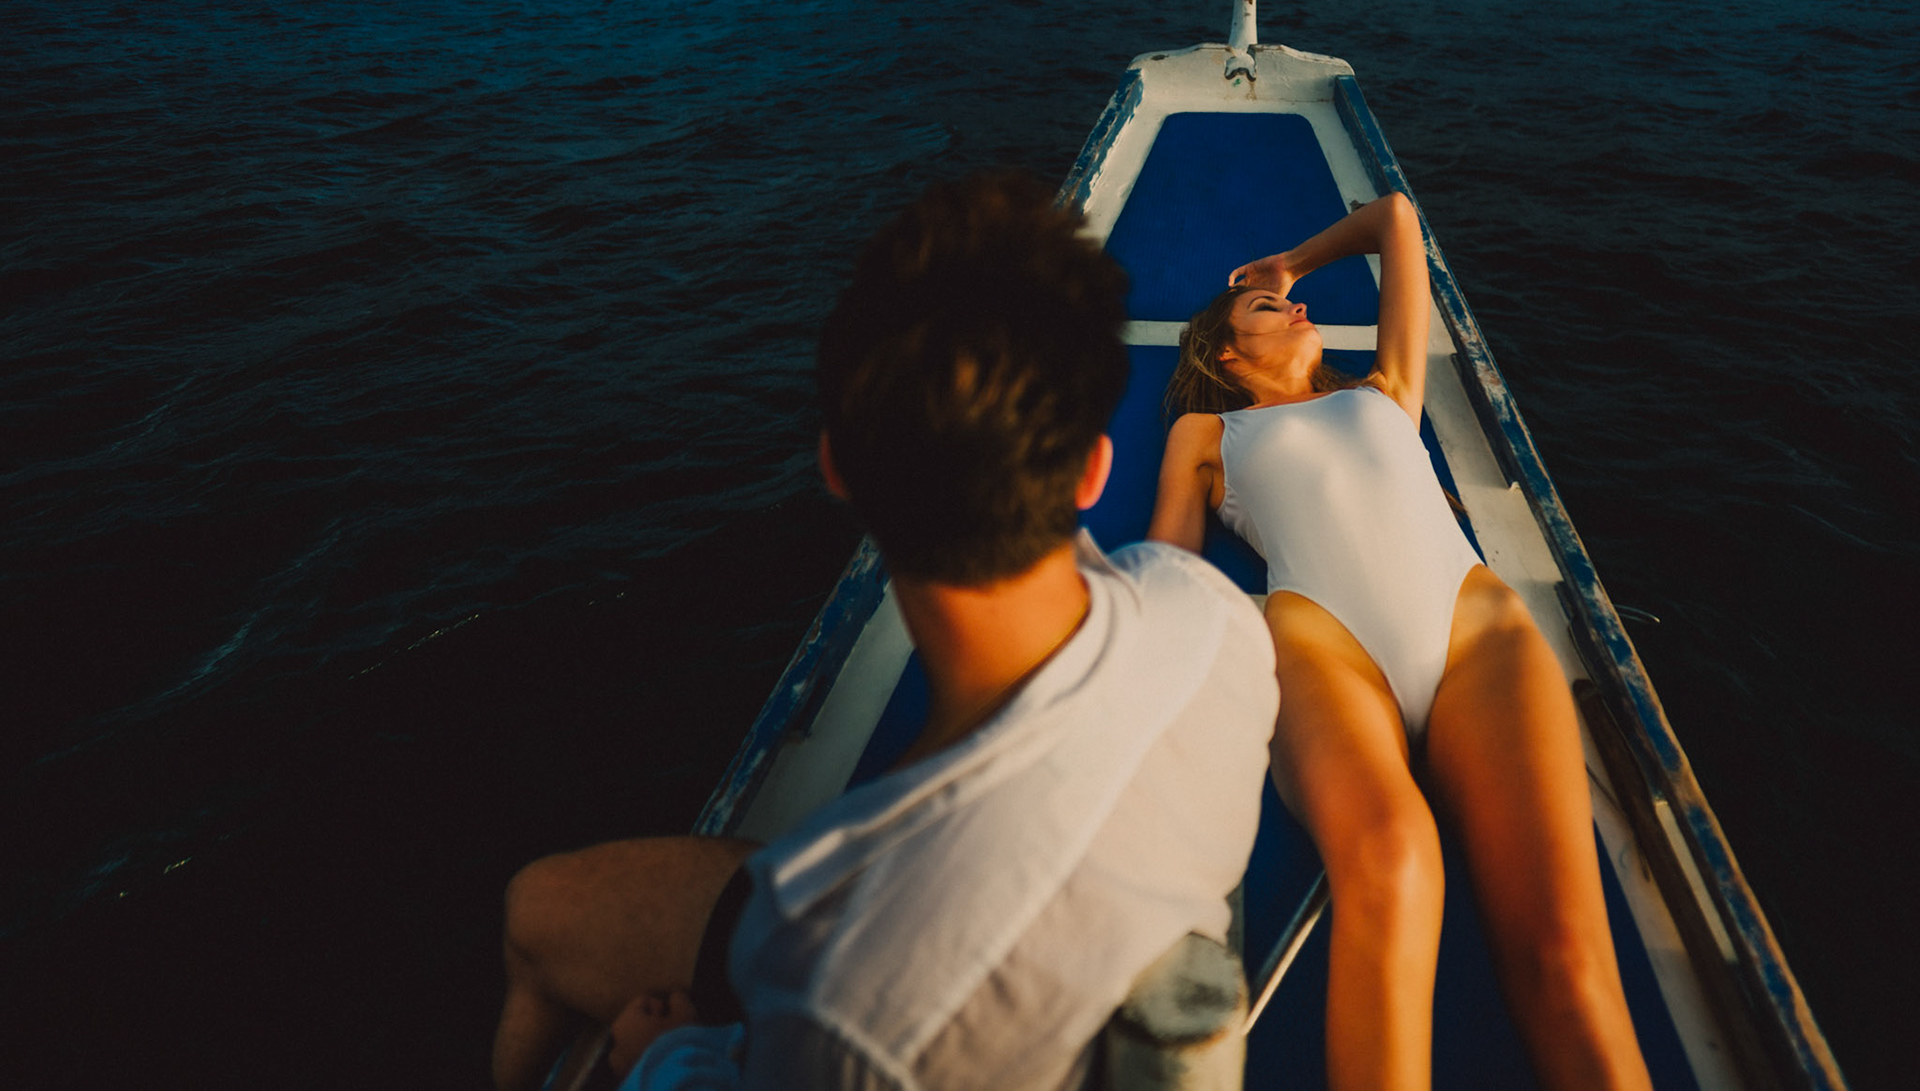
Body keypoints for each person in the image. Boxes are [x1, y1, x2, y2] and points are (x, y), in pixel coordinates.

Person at [492, 173, 1279, 1091]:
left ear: (839, 469)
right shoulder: (1213, 617)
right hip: (1092, 933)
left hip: (923, 961)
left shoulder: (847, 1005)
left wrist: (666, 1058)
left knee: (532, 913)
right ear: (1094, 468)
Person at [1147, 191, 1652, 1091]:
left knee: (1570, 963)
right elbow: (1170, 571)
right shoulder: (1209, 430)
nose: (1298, 308)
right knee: (1393, 863)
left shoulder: (1387, 392)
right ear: (1226, 353)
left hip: (1477, 640)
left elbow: (1396, 218)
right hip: (1324, 649)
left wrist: (1288, 265)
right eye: (1269, 309)